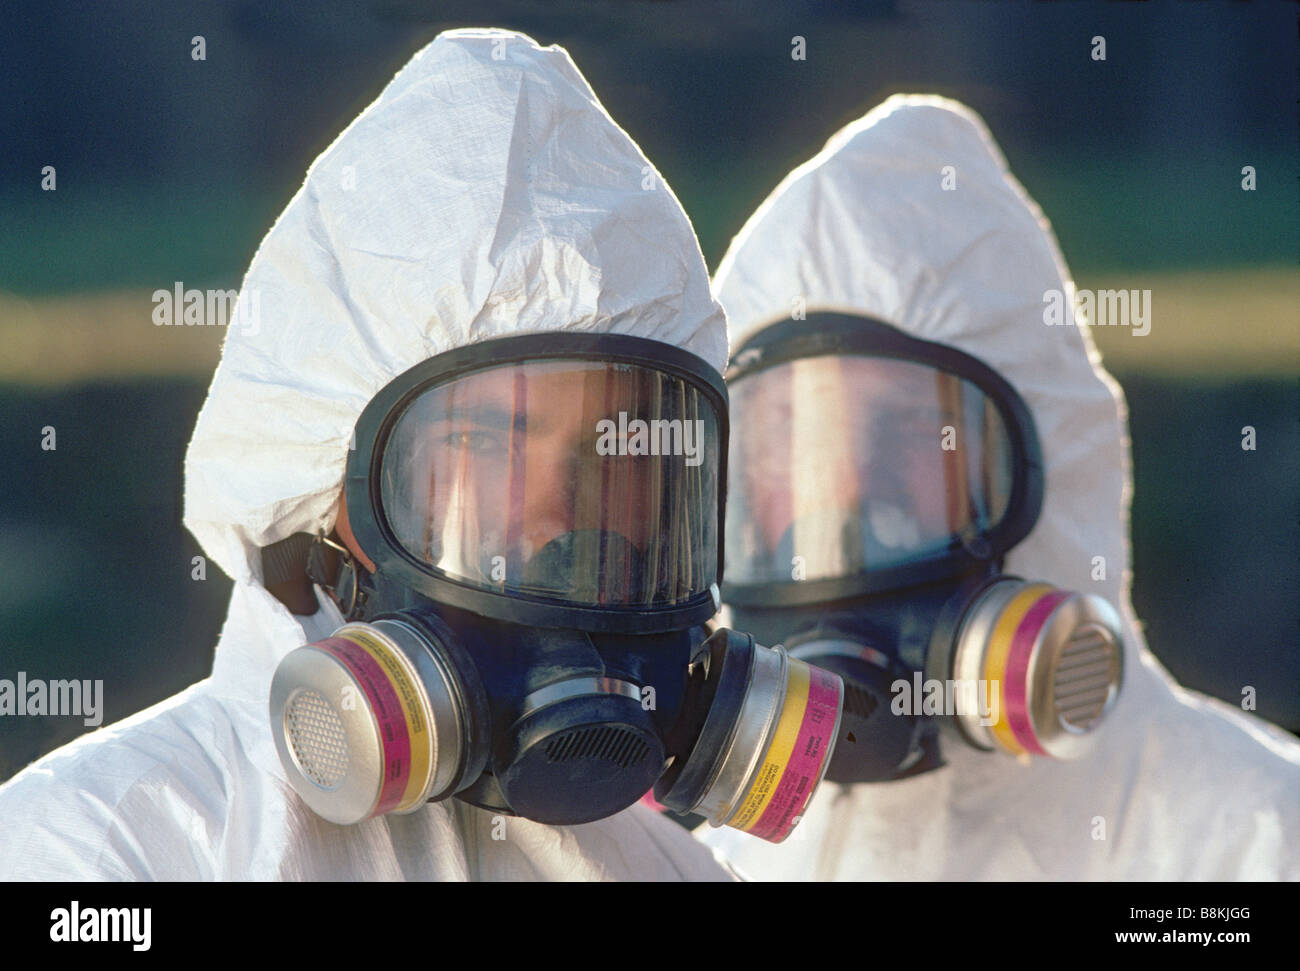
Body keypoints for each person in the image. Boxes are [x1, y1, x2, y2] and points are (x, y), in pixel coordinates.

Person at [0, 29, 741, 881]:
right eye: (483, 443)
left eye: (617, 454)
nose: (552, 519)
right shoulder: (99, 846)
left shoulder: (686, 872)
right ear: (323, 484)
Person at [695, 94, 1300, 880]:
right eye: (785, 448)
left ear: (1052, 472)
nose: (840, 498)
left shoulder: (1253, 839)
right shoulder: (722, 863)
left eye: (909, 432)